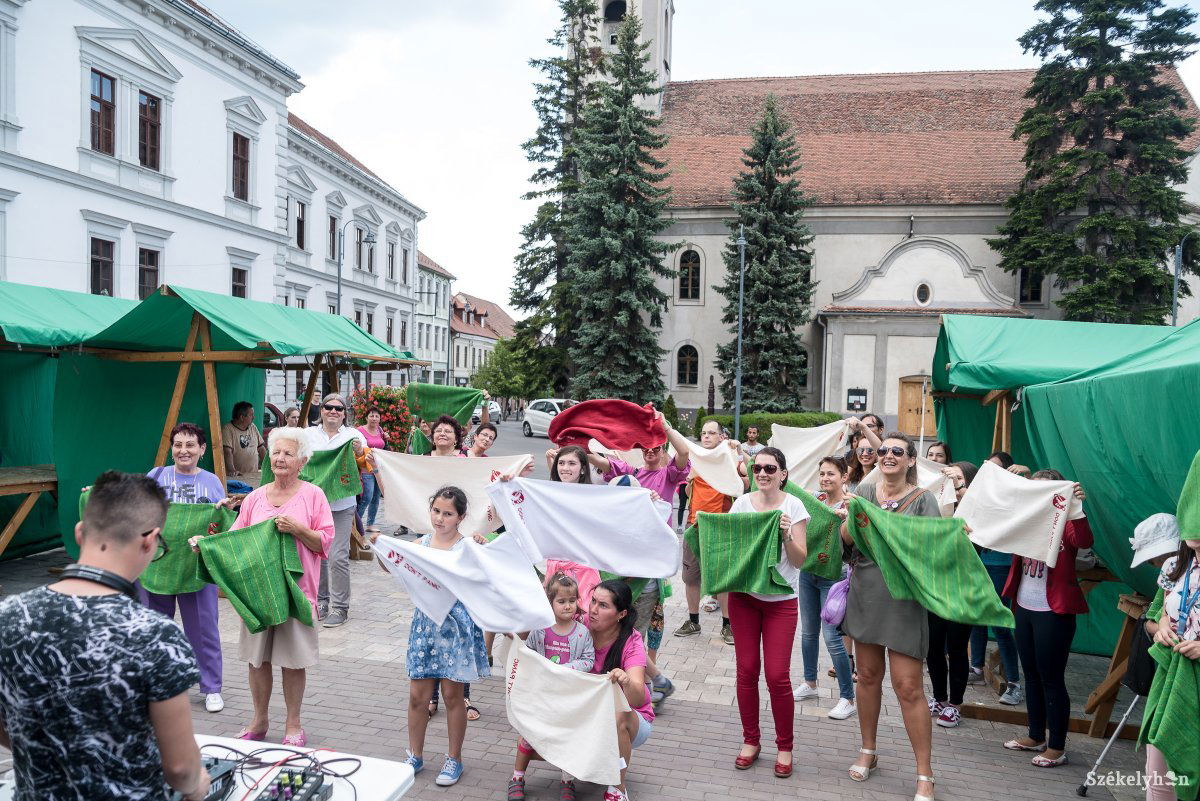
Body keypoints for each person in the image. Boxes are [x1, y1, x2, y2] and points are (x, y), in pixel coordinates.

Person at [0, 471, 210, 801]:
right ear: (150, 540)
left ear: (80, 532)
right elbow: (182, 770)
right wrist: (200, 784)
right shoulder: (156, 636)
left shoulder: (8, 614)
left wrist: (49, 747)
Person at [201, 427, 334, 748]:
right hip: (258, 592)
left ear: (302, 461)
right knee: (257, 660)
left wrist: (299, 529)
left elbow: (325, 541)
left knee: (293, 661)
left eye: (288, 454)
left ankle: (293, 725)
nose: (280, 459)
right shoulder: (257, 496)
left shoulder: (313, 495)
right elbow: (235, 539)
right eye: (276, 452)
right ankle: (259, 721)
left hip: (296, 593)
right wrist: (206, 545)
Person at [840, 432, 941, 801]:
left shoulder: (923, 499)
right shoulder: (864, 494)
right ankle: (868, 750)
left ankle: (924, 773)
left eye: (897, 451)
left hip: (904, 599)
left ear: (912, 460)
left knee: (908, 686)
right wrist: (854, 515)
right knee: (866, 677)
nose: (887, 455)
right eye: (882, 451)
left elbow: (932, 550)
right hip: (866, 591)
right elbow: (846, 543)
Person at [587, 411, 687, 698]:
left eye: (656, 448)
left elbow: (684, 452)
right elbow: (603, 462)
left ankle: (641, 689)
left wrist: (664, 426)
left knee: (632, 633)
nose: (651, 453)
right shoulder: (632, 475)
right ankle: (656, 681)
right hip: (623, 569)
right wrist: (581, 447)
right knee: (626, 632)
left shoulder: (668, 475)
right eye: (646, 448)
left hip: (648, 571)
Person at [999, 468, 1090, 768]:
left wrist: (1075, 507)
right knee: (1031, 674)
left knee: (1052, 678)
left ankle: (1057, 746)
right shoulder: (1024, 520)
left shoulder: (1064, 522)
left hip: (1055, 611)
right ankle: (1036, 735)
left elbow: (1084, 540)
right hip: (1024, 605)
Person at [726, 447, 808, 778]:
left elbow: (801, 560)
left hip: (781, 602)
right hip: (745, 598)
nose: (762, 473)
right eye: (757, 468)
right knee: (746, 671)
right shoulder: (741, 505)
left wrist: (787, 534)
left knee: (777, 676)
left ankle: (785, 746)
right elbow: (730, 549)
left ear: (783, 474)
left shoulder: (794, 506)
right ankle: (751, 741)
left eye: (770, 468)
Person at [404, 486, 491, 788]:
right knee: (418, 696)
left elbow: (487, 576)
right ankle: (414, 755)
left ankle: (455, 758)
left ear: (461, 517)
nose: (440, 518)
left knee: (454, 696)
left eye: (448, 513)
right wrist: (380, 545)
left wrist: (483, 543)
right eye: (436, 511)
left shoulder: (468, 547)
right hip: (424, 629)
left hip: (456, 630)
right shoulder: (421, 543)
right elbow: (394, 565)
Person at [144, 422, 227, 714]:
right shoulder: (155, 477)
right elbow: (134, 508)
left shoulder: (212, 482)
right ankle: (154, 686)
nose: (183, 451)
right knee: (153, 629)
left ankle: (211, 688)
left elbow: (221, 523)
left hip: (197, 567)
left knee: (204, 629)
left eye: (190, 445)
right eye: (178, 445)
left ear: (202, 450)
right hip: (157, 566)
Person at [508, 573, 596, 801]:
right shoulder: (540, 630)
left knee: (567, 739)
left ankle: (567, 781)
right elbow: (528, 655)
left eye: (572, 600)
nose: (568, 606)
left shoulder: (582, 632)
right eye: (561, 601)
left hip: (568, 697)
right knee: (528, 736)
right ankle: (517, 777)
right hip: (542, 695)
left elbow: (588, 660)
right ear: (550, 603)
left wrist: (567, 667)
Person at [949, 461, 1023, 705]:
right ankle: (977, 668)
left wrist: (1026, 476)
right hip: (973, 564)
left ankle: (1014, 682)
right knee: (975, 618)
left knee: (999, 622)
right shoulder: (963, 496)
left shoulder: (1001, 496)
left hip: (999, 564)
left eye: (997, 468)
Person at [793, 455, 856, 720]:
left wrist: (848, 517)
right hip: (809, 572)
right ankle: (810, 683)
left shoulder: (851, 505)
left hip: (835, 576)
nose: (825, 479)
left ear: (844, 477)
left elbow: (854, 540)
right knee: (808, 633)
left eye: (831, 474)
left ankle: (848, 697)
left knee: (832, 638)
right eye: (822, 474)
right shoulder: (816, 502)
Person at [1139, 516, 1194, 801]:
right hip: (1171, 675)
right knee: (1159, 771)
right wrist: (1161, 628)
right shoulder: (1176, 569)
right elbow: (1154, 616)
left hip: (1192, 678)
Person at [305, 393, 368, 629]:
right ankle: (321, 600)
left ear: (345, 413)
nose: (333, 411)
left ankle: (340, 607)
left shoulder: (353, 435)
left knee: (338, 556)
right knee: (317, 555)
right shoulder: (307, 435)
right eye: (328, 407)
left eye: (338, 408)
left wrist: (360, 451)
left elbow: (368, 463)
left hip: (342, 505)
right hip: (313, 506)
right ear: (321, 410)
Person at [588, 580, 655, 801]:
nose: (593, 610)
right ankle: (520, 774)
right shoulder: (580, 628)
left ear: (621, 614)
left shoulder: (632, 642)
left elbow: (637, 698)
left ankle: (617, 789)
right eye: (593, 601)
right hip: (590, 715)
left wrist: (626, 681)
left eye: (603, 605)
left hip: (633, 720)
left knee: (620, 715)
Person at [680, 419, 745, 645]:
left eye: (711, 433)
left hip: (721, 526)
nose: (706, 436)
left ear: (721, 437)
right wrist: (691, 478)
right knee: (690, 576)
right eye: (703, 433)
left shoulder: (728, 458)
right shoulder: (695, 459)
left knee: (723, 579)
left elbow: (746, 478)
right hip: (695, 524)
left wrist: (739, 451)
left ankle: (727, 626)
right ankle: (693, 620)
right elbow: (687, 491)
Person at [925, 460, 979, 728]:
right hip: (936, 587)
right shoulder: (937, 508)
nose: (951, 483)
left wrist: (959, 487)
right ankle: (938, 697)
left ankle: (955, 704)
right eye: (948, 478)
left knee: (956, 647)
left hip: (964, 591)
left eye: (957, 478)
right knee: (933, 646)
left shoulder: (976, 511)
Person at [356, 406, 387, 536]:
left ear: (380, 419)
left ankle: (370, 524)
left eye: (376, 416)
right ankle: (355, 524)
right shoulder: (359, 431)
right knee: (366, 497)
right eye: (371, 415)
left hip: (379, 468)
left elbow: (383, 445)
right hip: (366, 467)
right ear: (366, 417)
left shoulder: (380, 430)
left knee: (375, 497)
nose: (374, 418)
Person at [222, 400, 266, 477]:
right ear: (242, 417)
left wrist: (269, 466)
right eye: (251, 415)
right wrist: (232, 470)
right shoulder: (228, 429)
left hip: (254, 474)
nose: (253, 417)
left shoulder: (252, 426)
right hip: (238, 476)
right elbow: (227, 452)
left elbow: (261, 448)